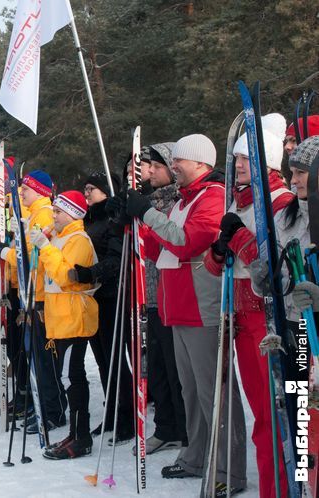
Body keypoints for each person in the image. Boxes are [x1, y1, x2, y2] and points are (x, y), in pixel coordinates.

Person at [116, 134, 246, 492]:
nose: (174, 165)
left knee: (213, 392)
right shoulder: (184, 199)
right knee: (190, 390)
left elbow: (188, 239)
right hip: (178, 305)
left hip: (202, 305)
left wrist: (147, 213)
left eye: (180, 161)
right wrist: (134, 221)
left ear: (201, 163)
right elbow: (162, 243)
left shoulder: (213, 196)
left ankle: (228, 470)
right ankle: (196, 454)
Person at [205, 116, 296, 498]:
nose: (239, 164)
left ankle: (279, 488)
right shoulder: (237, 200)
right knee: (261, 412)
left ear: (269, 162)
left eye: (247, 158)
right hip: (241, 319)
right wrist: (219, 248)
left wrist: (238, 236)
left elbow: (278, 270)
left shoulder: (281, 202)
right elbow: (216, 268)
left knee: (274, 413)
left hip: (270, 320)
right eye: (237, 158)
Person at [30, 190, 98, 459]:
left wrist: (46, 248)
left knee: (72, 376)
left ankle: (81, 436)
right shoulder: (59, 237)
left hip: (74, 317)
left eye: (58, 211)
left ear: (72, 213)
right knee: (67, 375)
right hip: (60, 318)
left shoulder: (78, 239)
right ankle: (75, 432)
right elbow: (46, 276)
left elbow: (66, 277)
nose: (54, 215)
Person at [72, 172, 134, 442]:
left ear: (107, 190)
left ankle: (126, 416)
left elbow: (116, 258)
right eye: (84, 188)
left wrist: (92, 273)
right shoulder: (87, 220)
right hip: (91, 297)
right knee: (101, 358)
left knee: (114, 357)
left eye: (92, 188)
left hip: (111, 295)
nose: (87, 193)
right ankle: (112, 411)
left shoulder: (113, 217)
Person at [0, 170, 57, 431]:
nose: (22, 193)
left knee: (42, 357)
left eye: (26, 189)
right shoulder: (31, 214)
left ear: (40, 191)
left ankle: (51, 409)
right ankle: (38, 403)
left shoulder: (43, 215)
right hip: (27, 292)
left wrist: (5, 251)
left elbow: (30, 256)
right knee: (31, 354)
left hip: (39, 293)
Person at [138, 143, 187, 454]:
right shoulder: (147, 200)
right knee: (154, 369)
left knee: (175, 370)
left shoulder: (177, 201)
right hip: (148, 296)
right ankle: (165, 426)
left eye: (157, 165)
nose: (150, 170)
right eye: (148, 165)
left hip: (171, 296)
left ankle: (184, 432)